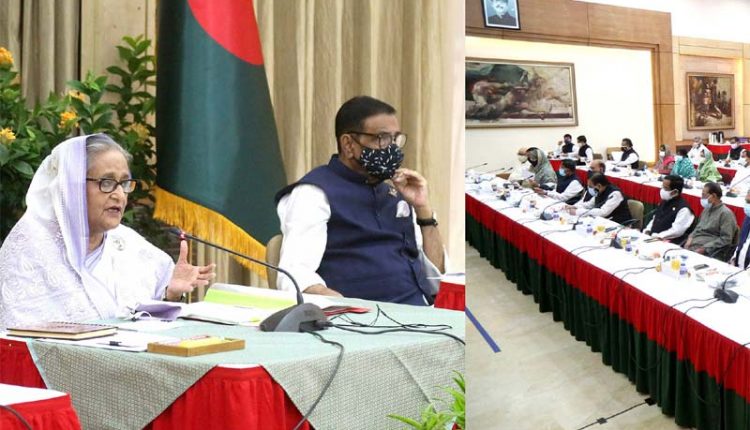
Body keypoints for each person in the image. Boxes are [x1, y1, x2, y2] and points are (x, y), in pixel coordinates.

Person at [0, 134, 216, 329]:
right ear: (71, 186)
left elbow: (153, 330)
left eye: (124, 183)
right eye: (107, 182)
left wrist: (171, 294)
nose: (119, 195)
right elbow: (16, 340)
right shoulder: (29, 248)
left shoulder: (130, 244)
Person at [275, 96, 445, 305]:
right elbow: (295, 273)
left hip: (421, 310)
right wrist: (337, 303)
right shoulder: (314, 193)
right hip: (361, 316)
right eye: (382, 138)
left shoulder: (395, 192)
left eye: (395, 139)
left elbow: (437, 280)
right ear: (348, 144)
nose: (391, 148)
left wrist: (423, 210)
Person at [684, 182, 737, 257]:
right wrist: (690, 238)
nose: (702, 198)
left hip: (709, 251)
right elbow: (698, 227)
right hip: (693, 244)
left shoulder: (725, 214)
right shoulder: (707, 209)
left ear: (714, 196)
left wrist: (705, 248)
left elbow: (726, 239)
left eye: (704, 195)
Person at [643, 175, 694, 244]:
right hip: (652, 238)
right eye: (662, 187)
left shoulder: (684, 209)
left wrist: (658, 236)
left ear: (675, 192)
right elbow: (655, 219)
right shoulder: (664, 201)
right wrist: (648, 230)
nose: (662, 190)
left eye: (665, 188)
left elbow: (677, 231)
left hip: (668, 242)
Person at [567, 173, 632, 224]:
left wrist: (578, 211)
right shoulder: (599, 191)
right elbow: (590, 204)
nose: (589, 189)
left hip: (619, 224)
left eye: (590, 186)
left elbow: (602, 213)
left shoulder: (615, 194)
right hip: (605, 221)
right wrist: (575, 206)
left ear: (599, 186)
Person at [730, 189, 750, 269]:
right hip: (738, 266)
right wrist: (733, 259)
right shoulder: (748, 218)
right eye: (746, 202)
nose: (747, 206)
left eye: (749, 203)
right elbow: (741, 244)